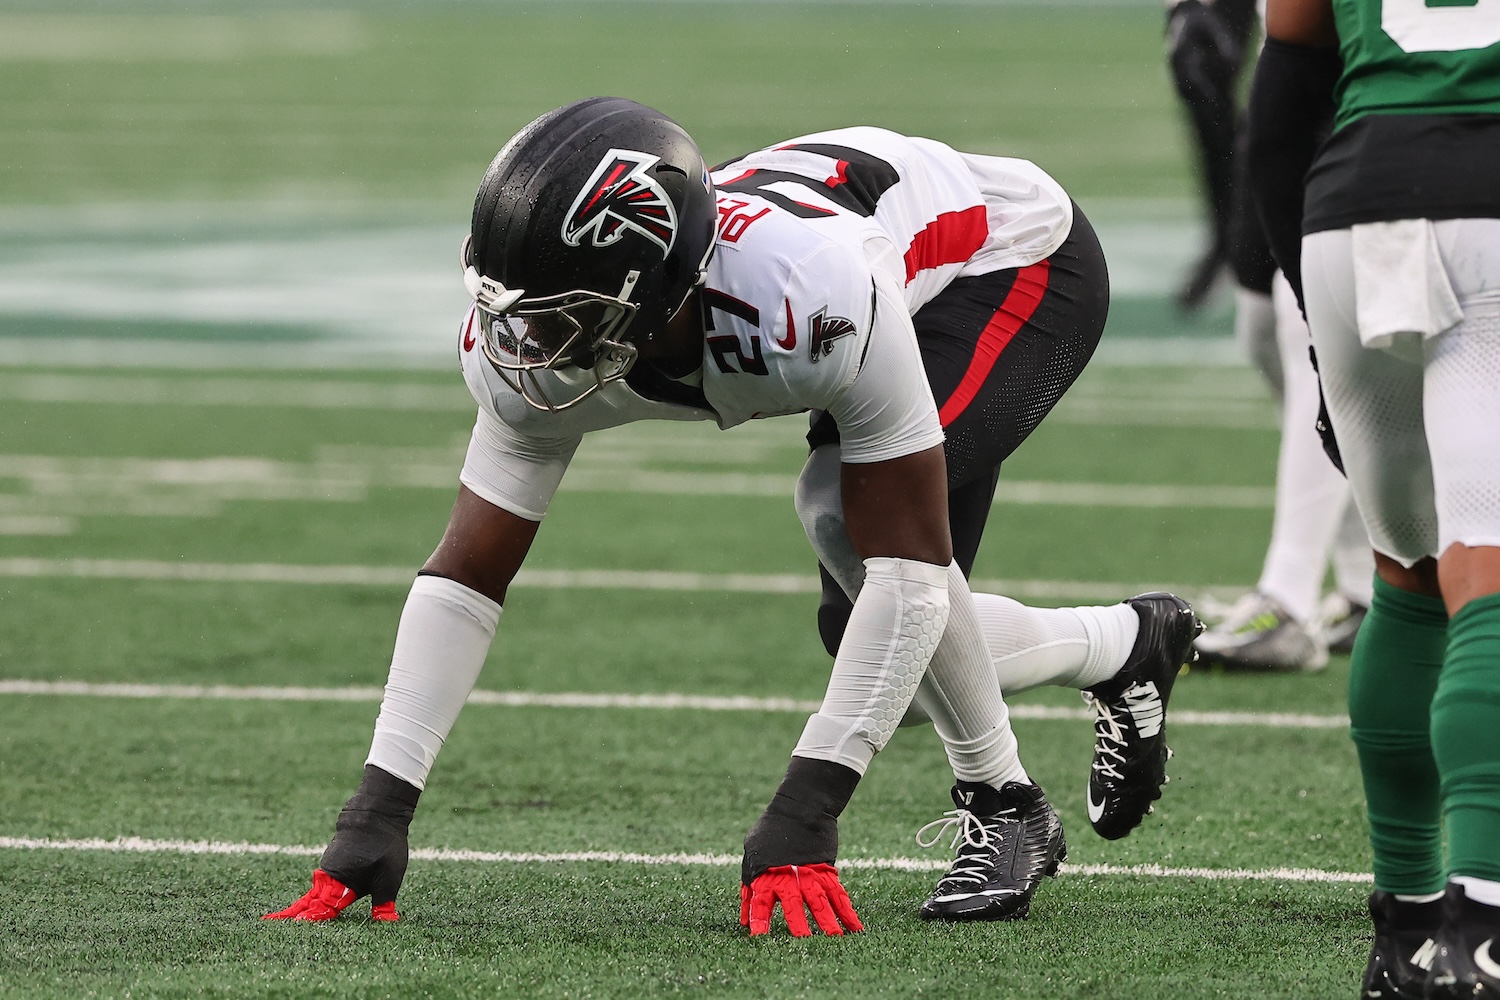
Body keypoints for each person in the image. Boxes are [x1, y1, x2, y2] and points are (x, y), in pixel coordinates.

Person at [263, 98, 1202, 936]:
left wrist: (808, 805)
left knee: (845, 517)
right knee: (872, 655)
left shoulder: (806, 298)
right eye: (518, 308)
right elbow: (468, 571)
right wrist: (376, 812)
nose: (528, 341)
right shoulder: (539, 342)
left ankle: (1004, 801)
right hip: (858, 258)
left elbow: (914, 568)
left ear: (654, 289)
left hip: (1005, 263)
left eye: (560, 313)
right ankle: (1121, 644)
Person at [1247, 0, 1500, 991]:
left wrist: (1317, 321)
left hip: (1353, 208)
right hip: (1490, 206)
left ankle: (1400, 926)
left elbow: (1279, 100)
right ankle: (1479, 921)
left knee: (1407, 571)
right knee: (1485, 566)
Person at [1167, 0, 1375, 671]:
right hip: (1284, 84)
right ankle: (1366, 581)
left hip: (1369, 83)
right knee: (1260, 331)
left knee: (1306, 323)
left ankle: (1285, 600)